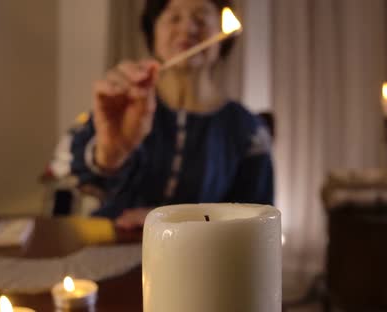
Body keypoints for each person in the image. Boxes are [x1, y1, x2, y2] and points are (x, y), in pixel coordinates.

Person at [51, 0, 273, 229]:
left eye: (201, 19)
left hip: (198, 260)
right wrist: (109, 155)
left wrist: (175, 222)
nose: (187, 28)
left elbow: (257, 221)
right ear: (153, 33)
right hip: (111, 246)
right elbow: (67, 173)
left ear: (222, 35)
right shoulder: (127, 103)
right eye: (174, 18)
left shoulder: (247, 129)